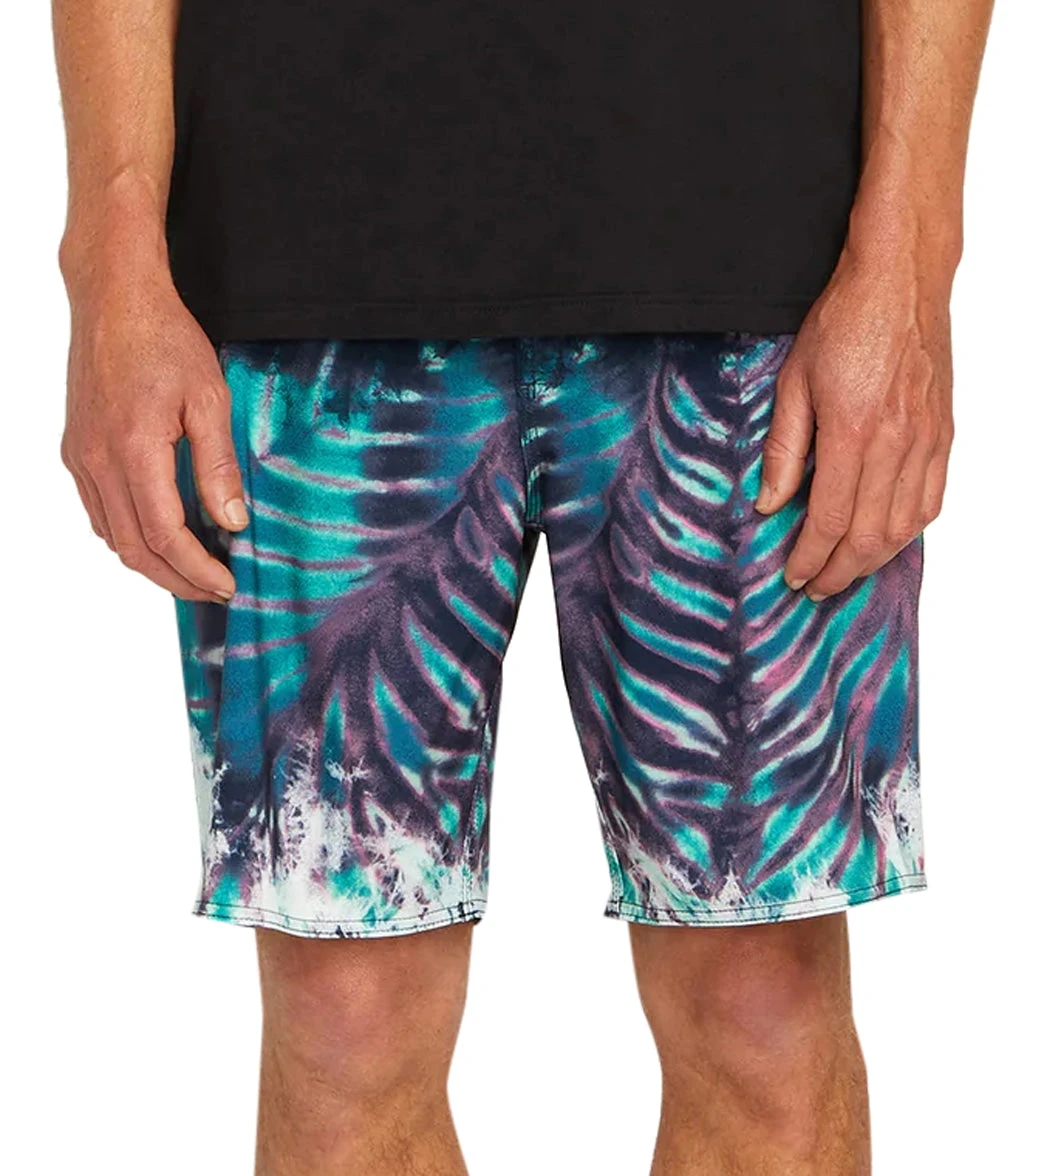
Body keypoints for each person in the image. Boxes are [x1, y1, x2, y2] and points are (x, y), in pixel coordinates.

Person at [52, 1, 994, 1172]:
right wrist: (110, 255)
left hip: (755, 253)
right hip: (299, 251)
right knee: (345, 1016)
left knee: (759, 991)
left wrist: (909, 257)